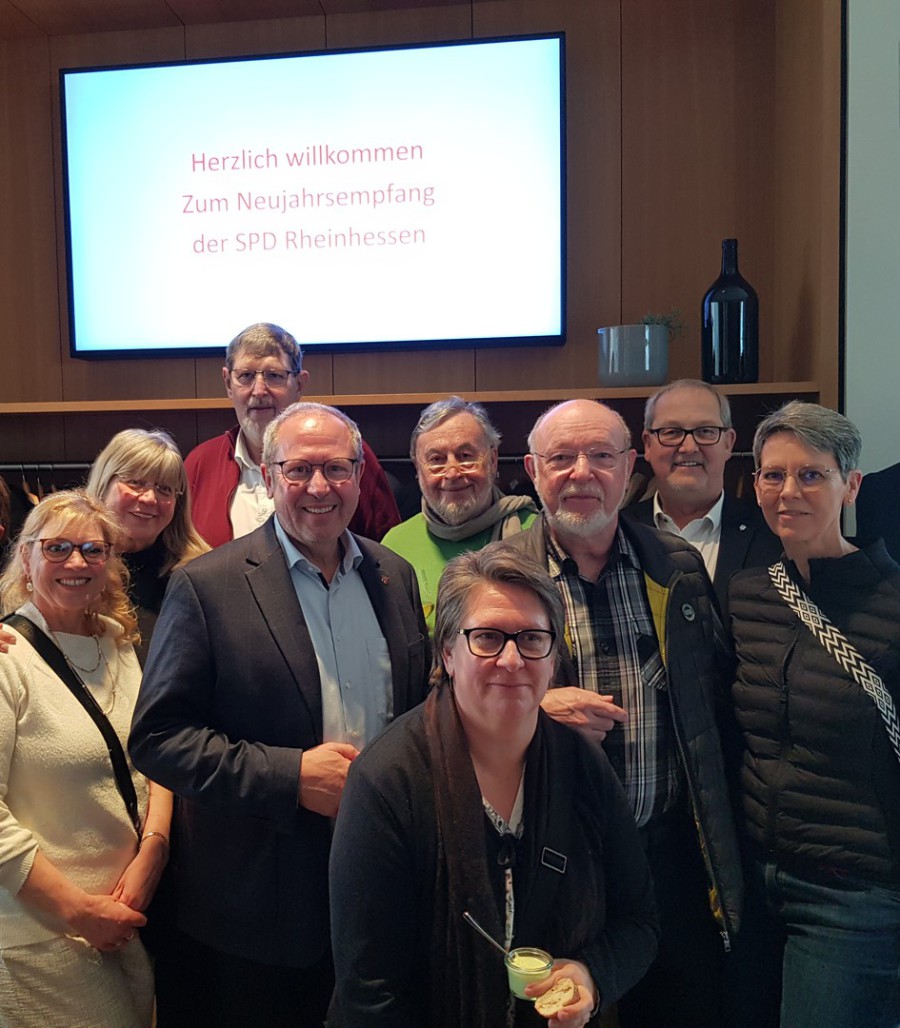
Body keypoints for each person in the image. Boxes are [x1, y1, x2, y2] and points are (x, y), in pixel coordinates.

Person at [129, 401, 429, 1028]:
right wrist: (290, 777)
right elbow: (159, 738)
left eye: (337, 469)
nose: (320, 487)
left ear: (360, 476)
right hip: (257, 913)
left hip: (382, 888)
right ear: (268, 478)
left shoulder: (393, 575)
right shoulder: (207, 586)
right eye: (299, 470)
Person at [329, 543, 658, 1027]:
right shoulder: (387, 782)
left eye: (532, 639)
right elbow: (369, 992)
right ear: (447, 653)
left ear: (553, 657)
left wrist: (591, 976)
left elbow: (639, 922)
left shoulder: (584, 767)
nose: (511, 659)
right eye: (486, 638)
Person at [508, 398, 742, 1028]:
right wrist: (532, 706)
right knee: (560, 1013)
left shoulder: (677, 566)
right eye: (561, 457)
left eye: (601, 456)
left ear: (630, 465)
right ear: (532, 470)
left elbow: (713, 702)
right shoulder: (496, 577)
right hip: (553, 857)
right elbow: (446, 707)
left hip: (668, 855)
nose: (581, 472)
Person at [727, 401, 900, 1028]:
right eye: (773, 475)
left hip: (853, 895)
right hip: (752, 880)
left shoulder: (892, 606)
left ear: (850, 485)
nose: (788, 491)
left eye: (811, 475)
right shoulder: (747, 595)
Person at [0, 490, 172, 1027]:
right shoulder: (6, 658)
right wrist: (79, 911)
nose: (76, 562)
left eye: (93, 550)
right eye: (56, 548)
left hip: (127, 920)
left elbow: (154, 756)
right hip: (41, 940)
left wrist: (154, 850)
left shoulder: (119, 643)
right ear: (25, 557)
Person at [185, 322, 400, 545]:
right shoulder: (200, 464)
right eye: (246, 376)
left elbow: (385, 550)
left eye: (274, 375)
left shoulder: (345, 453)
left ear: (299, 384)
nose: (259, 391)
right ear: (228, 383)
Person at [382, 396, 537, 630]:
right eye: (436, 460)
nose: (452, 473)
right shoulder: (395, 546)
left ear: (493, 460)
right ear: (418, 469)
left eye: (465, 456)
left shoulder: (536, 533)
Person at [626, 379, 780, 612]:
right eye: (672, 432)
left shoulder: (773, 534)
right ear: (647, 444)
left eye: (705, 431)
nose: (689, 447)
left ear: (728, 443)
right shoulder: (617, 533)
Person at [86, 428, 209, 664]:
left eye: (164, 489)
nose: (150, 498)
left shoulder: (199, 577)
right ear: (104, 483)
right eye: (135, 483)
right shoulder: (69, 567)